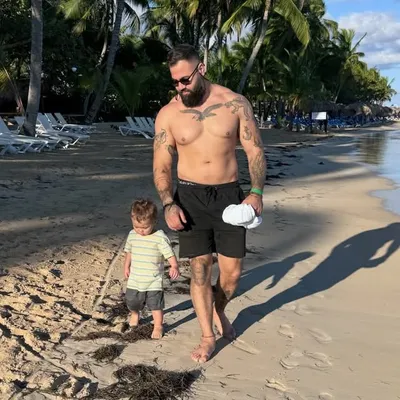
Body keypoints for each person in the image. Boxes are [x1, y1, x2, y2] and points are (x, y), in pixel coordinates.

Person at [152, 44, 267, 362]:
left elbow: (255, 150)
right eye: (175, 82)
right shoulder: (168, 114)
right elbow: (162, 164)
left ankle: (219, 308)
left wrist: (256, 192)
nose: (180, 87)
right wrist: (168, 203)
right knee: (200, 270)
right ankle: (207, 336)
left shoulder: (235, 103)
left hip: (229, 196)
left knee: (232, 274)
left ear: (201, 69)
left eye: (185, 79)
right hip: (190, 198)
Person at [123, 198, 180, 339]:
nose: (141, 231)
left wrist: (174, 265)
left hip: (153, 280)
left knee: (155, 305)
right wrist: (126, 266)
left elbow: (169, 253)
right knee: (132, 301)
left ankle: (158, 325)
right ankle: (135, 314)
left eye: (145, 227)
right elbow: (129, 252)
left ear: (154, 221)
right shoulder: (132, 235)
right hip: (135, 277)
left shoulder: (159, 237)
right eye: (137, 227)